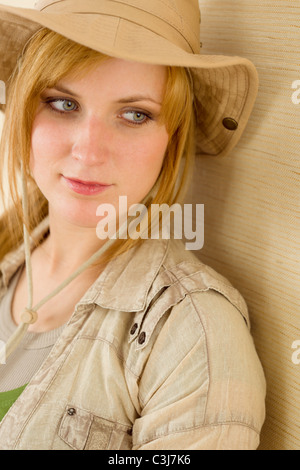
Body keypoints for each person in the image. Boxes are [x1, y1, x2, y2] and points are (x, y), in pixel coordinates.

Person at [0, 0, 266, 450]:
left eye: (135, 114)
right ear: (25, 111)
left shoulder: (191, 332)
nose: (89, 151)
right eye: (63, 103)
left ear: (172, 139)